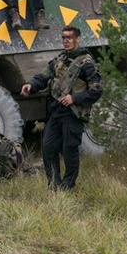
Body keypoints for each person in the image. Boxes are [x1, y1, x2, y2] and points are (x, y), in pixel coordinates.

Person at [20, 26, 102, 191]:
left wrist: (74, 98)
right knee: (48, 146)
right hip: (56, 111)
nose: (66, 41)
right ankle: (54, 183)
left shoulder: (86, 63)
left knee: (69, 148)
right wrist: (31, 86)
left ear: (77, 39)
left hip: (73, 112)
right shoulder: (60, 59)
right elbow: (43, 76)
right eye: (64, 38)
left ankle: (68, 185)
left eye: (69, 38)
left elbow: (96, 90)